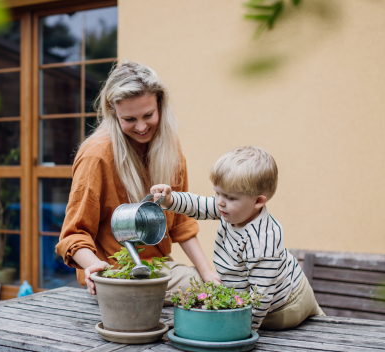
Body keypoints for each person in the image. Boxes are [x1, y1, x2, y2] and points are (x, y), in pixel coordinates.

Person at [56, 61, 220, 297]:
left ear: (160, 105)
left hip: (158, 268)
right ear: (113, 111)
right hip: (115, 275)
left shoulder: (169, 149)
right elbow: (73, 234)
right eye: (130, 119)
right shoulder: (96, 156)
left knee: (213, 283)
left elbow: (181, 224)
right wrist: (93, 268)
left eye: (148, 115)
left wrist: (208, 273)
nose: (142, 127)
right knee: (201, 290)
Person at [150, 146, 325, 330]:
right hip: (269, 295)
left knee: (322, 324)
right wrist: (170, 201)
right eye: (217, 192)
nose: (219, 201)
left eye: (230, 197)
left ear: (258, 201)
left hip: (285, 306)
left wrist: (243, 329)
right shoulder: (231, 209)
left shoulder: (261, 242)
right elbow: (199, 205)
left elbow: (262, 296)